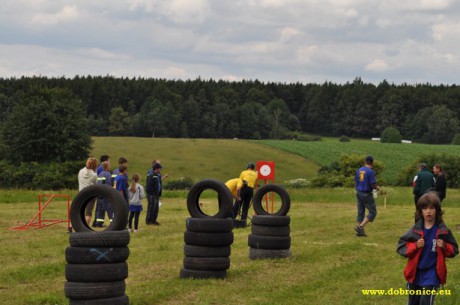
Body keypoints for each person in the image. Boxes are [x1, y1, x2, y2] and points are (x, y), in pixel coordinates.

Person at [397, 192, 458, 305]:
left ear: (437, 210)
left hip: (432, 273)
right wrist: (415, 246)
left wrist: (444, 246)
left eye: (431, 208)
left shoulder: (443, 231)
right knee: (413, 302)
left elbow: (454, 250)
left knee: (425, 301)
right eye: (425, 208)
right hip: (415, 272)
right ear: (420, 211)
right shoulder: (415, 230)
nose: (428, 211)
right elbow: (401, 247)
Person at [354, 155, 379, 237]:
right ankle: (360, 227)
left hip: (358, 192)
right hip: (366, 193)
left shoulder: (359, 170)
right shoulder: (370, 172)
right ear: (372, 163)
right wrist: (377, 188)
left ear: (365, 162)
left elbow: (356, 181)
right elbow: (372, 184)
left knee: (360, 212)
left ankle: (359, 231)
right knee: (373, 212)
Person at [78, 157, 98, 225]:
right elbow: (95, 185)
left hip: (81, 193)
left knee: (77, 210)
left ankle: (70, 227)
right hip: (90, 194)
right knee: (88, 212)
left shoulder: (81, 171)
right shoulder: (94, 175)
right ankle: (85, 227)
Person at [93, 160, 114, 228]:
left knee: (100, 208)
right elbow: (108, 184)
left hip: (99, 193)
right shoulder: (108, 174)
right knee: (109, 208)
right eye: (109, 165)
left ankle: (99, 223)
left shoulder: (100, 173)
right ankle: (112, 222)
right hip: (105, 194)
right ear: (107, 166)